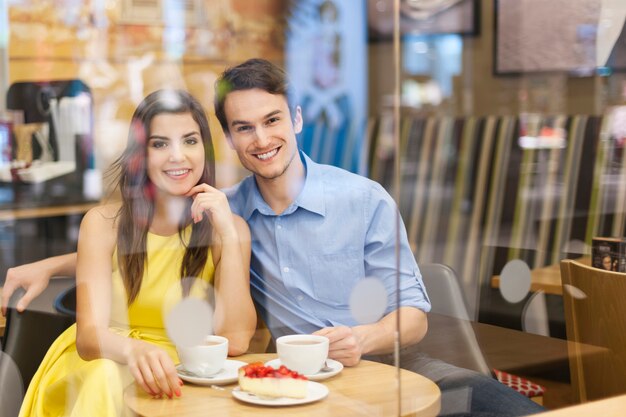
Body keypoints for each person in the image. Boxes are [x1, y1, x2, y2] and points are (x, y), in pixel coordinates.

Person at [3, 60, 543, 416]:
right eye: (244, 128)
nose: (262, 139)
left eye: (272, 120)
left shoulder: (361, 199)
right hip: (285, 378)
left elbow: (414, 317)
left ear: (297, 118)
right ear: (232, 141)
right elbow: (143, 246)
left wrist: (367, 338)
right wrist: (50, 264)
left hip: (387, 364)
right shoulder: (223, 208)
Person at [15, 89, 256, 417]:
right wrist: (134, 350)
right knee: (105, 379)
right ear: (140, 155)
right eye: (160, 144)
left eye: (189, 140)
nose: (177, 156)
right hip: (104, 364)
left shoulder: (228, 229)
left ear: (204, 149)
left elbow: (236, 340)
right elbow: (89, 338)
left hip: (179, 373)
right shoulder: (104, 223)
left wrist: (227, 234)